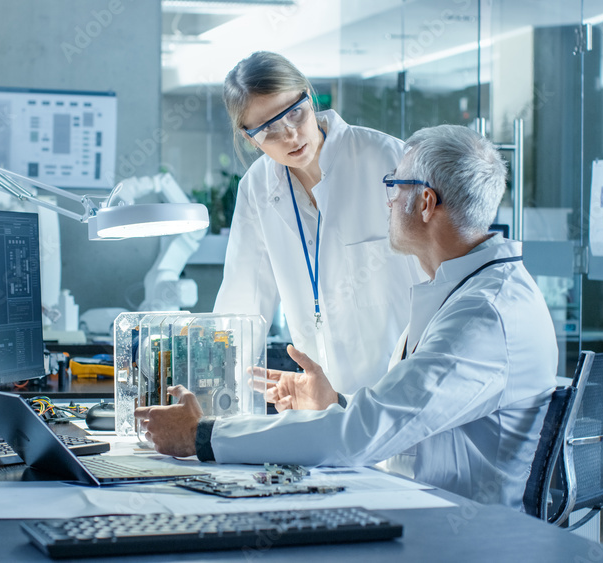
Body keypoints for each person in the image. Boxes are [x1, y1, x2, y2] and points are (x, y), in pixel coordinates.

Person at [135, 125, 559, 509]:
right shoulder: (463, 291)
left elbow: (362, 434)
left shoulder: (483, 315)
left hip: (458, 531)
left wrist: (204, 435)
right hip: (423, 504)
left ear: (426, 202)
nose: (388, 199)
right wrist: (332, 404)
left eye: (394, 185)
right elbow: (402, 416)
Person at [213, 52, 423, 394]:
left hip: (402, 393)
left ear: (309, 97)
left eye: (295, 113)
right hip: (324, 406)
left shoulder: (390, 162)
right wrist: (214, 400)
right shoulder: (257, 189)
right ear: (249, 138)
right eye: (268, 130)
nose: (291, 136)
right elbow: (242, 307)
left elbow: (442, 282)